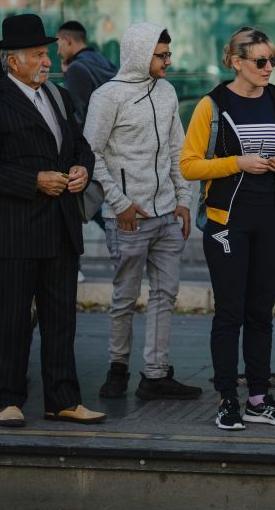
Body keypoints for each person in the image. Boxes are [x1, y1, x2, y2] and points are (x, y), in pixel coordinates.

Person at [0, 13, 106, 428]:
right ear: (13, 61)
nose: (47, 60)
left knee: (62, 319)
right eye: (38, 54)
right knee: (10, 320)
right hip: (16, 229)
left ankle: (63, 399)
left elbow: (81, 146)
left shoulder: (58, 96)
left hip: (61, 227)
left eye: (46, 53)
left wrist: (82, 170)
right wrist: (33, 181)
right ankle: (8, 399)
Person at [180, 27, 275, 431]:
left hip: (273, 217)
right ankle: (227, 399)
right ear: (236, 62)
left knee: (261, 313)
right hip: (227, 221)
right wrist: (238, 163)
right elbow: (189, 165)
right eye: (260, 61)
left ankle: (259, 398)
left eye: (273, 61)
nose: (269, 68)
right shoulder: (211, 105)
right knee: (229, 312)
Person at [82, 23, 201, 401]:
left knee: (166, 295)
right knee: (124, 296)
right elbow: (91, 154)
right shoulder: (107, 97)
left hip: (167, 214)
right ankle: (117, 369)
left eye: (168, 54)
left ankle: (155, 373)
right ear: (139, 55)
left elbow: (176, 150)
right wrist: (119, 204)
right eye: (161, 55)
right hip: (129, 217)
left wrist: (184, 200)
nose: (168, 60)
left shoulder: (166, 92)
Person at [56, 20, 118, 128]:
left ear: (67, 40)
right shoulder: (102, 60)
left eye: (58, 45)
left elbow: (76, 117)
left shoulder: (76, 68)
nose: (58, 52)